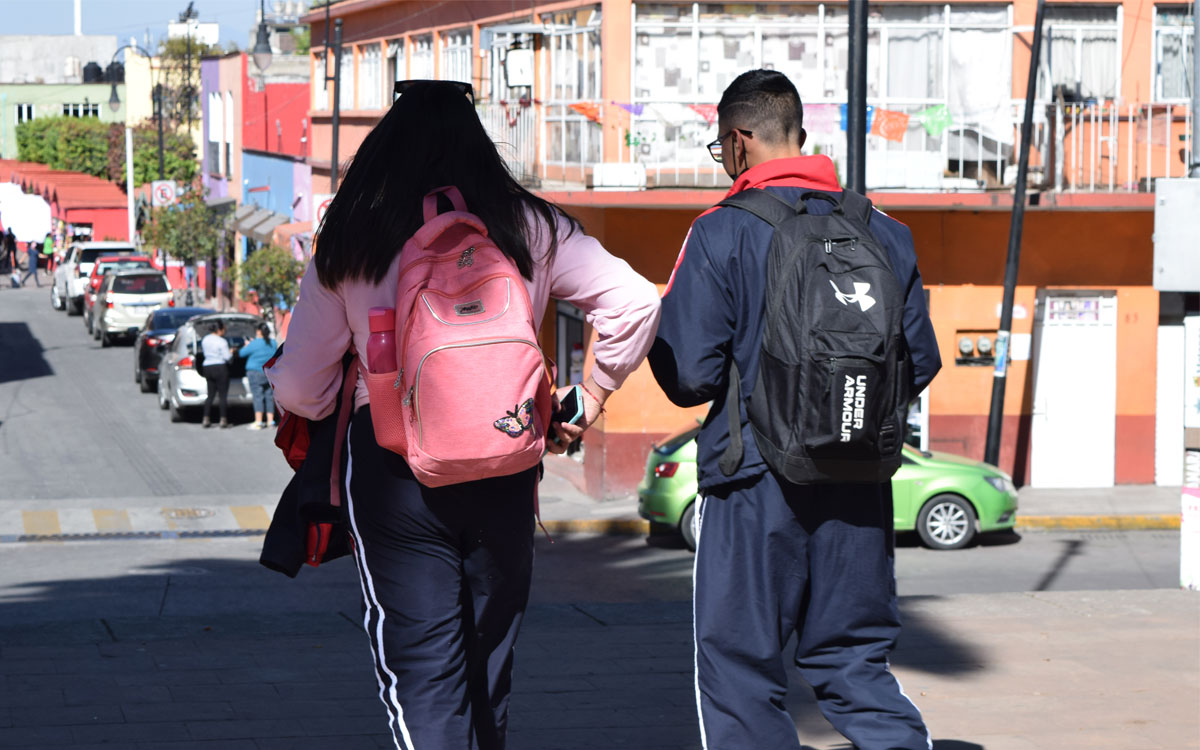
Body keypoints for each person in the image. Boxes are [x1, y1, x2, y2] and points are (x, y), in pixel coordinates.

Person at [266, 79, 660, 750]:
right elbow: (634, 302)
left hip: (395, 473)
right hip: (506, 457)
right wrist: (589, 401)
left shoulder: (355, 235)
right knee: (488, 668)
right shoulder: (527, 224)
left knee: (422, 675)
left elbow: (300, 389)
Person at [648, 69, 942, 750]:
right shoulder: (885, 232)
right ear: (800, 137)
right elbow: (917, 362)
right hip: (859, 483)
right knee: (854, 663)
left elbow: (689, 375)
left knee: (741, 674)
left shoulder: (720, 232)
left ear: (738, 142)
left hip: (752, 483)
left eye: (722, 151)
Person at [237, 322, 277, 430]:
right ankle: (270, 421)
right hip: (269, 373)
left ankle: (258, 422)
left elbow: (241, 354)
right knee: (269, 396)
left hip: (254, 373)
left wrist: (247, 345)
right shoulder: (273, 343)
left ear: (259, 331)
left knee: (258, 396)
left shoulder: (254, 343)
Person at [200, 321, 232, 428]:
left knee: (210, 395)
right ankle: (223, 419)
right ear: (219, 330)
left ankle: (206, 418)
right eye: (224, 329)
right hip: (220, 367)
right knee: (222, 396)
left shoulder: (205, 340)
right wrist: (232, 352)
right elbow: (227, 357)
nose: (224, 331)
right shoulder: (222, 342)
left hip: (207, 367)